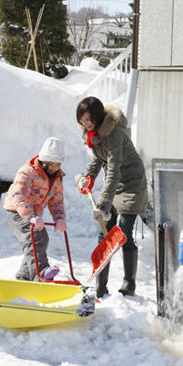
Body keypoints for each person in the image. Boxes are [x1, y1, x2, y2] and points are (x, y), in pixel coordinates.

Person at [75, 96, 148, 298]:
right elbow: (98, 160)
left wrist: (103, 204)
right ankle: (101, 285)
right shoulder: (93, 134)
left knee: (122, 234)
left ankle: (129, 284)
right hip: (114, 186)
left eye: (88, 119)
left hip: (132, 184)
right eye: (81, 120)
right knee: (104, 233)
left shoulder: (115, 134)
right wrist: (86, 177)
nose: (84, 124)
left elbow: (113, 170)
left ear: (98, 117)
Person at [3, 137, 67, 282]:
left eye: (58, 164)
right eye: (51, 164)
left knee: (43, 239)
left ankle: (24, 276)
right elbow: (18, 195)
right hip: (17, 211)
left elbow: (56, 200)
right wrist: (30, 215)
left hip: (34, 214)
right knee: (34, 240)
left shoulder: (57, 177)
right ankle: (41, 272)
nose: (55, 168)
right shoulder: (28, 172)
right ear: (44, 161)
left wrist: (59, 218)